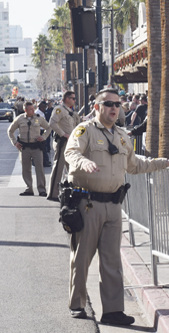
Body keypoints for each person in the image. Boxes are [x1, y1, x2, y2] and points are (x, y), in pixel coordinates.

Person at [64, 88, 169, 325]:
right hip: (87, 204)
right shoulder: (85, 130)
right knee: (82, 257)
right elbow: (71, 153)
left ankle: (112, 311)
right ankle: (78, 304)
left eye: (117, 104)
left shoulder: (122, 135)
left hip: (113, 206)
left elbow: (134, 165)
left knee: (112, 260)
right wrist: (84, 162)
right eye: (108, 104)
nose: (114, 108)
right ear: (97, 107)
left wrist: (162, 163)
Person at [7, 101, 52, 196]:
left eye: (33, 109)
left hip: (36, 147)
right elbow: (10, 131)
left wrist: (43, 137)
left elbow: (48, 128)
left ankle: (42, 189)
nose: (33, 111)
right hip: (24, 148)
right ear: (25, 110)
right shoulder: (20, 119)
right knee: (26, 169)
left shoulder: (39, 118)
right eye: (31, 109)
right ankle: (29, 188)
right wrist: (15, 142)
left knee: (39, 168)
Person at [47, 91, 80, 201]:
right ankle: (53, 194)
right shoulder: (59, 109)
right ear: (67, 99)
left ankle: (71, 192)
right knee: (58, 168)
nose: (74, 100)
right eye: (73, 98)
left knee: (71, 168)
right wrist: (63, 134)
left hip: (70, 142)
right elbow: (52, 123)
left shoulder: (70, 111)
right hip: (62, 142)